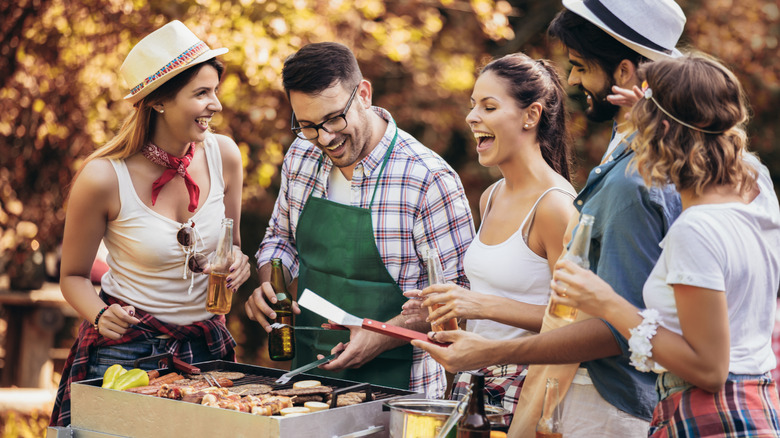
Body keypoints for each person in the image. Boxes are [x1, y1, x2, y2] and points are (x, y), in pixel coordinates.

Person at [413, 1, 686, 436]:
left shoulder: (627, 182)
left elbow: (606, 323)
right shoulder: (620, 157)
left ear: (623, 72)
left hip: (589, 399)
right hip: (519, 394)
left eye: (579, 65)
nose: (573, 79)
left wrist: (484, 329)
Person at [551, 53, 780, 437]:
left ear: (664, 131)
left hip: (710, 417)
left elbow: (709, 370)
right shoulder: (756, 188)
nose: (632, 134)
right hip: (753, 409)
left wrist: (605, 301)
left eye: (642, 124)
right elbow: (710, 132)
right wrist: (653, 107)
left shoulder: (696, 230)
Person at [245, 42, 475, 397]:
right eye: (308, 125)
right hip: (309, 380)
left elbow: (459, 300)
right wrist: (270, 285)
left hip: (401, 391)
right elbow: (280, 239)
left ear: (363, 93)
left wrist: (381, 336)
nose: (325, 138)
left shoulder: (427, 179)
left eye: (334, 118)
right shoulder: (301, 156)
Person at [50, 20, 251, 426]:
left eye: (215, 91)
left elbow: (233, 247)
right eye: (201, 93)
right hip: (125, 352)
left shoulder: (225, 156)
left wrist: (240, 262)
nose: (216, 105)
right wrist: (98, 314)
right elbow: (71, 276)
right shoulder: (103, 178)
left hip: (205, 350)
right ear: (159, 101)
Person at [401, 53, 576, 422]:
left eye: (489, 106)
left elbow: (575, 323)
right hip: (474, 384)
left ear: (532, 115)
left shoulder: (555, 208)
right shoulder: (492, 196)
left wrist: (477, 304)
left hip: (526, 390)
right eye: (473, 105)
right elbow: (490, 310)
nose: (472, 116)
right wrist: (448, 310)